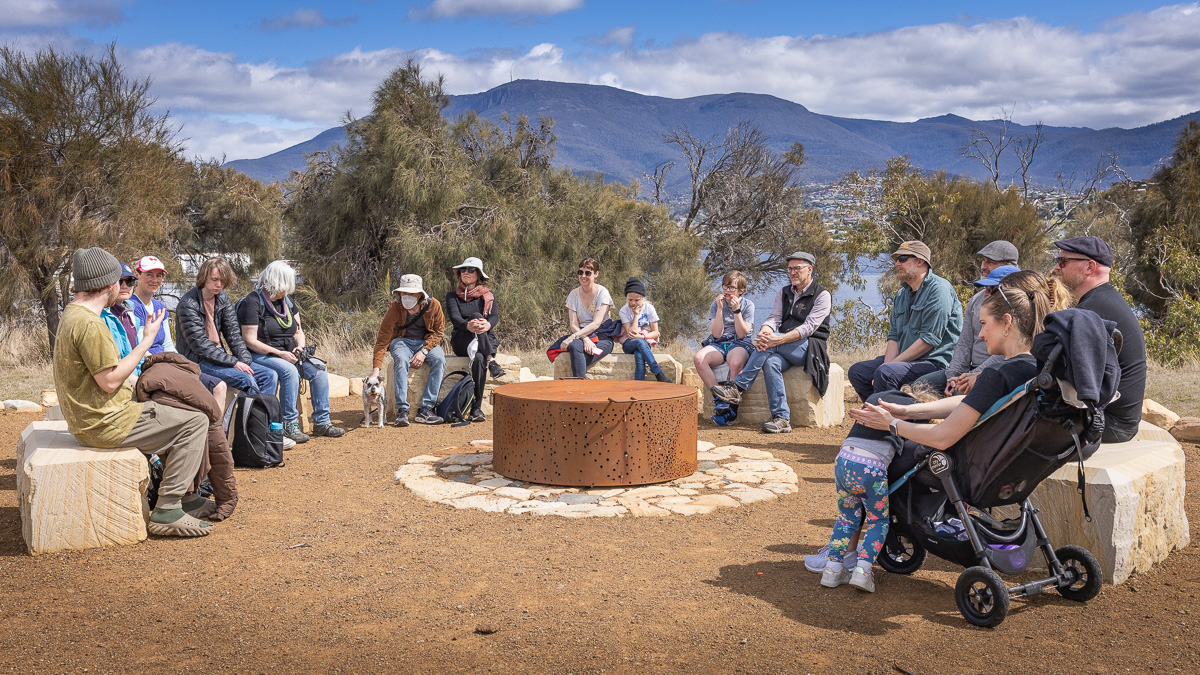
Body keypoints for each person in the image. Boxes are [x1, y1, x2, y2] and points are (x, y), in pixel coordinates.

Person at [828, 270, 1067, 591]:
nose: (981, 335)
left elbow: (943, 437)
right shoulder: (1029, 370)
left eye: (984, 324)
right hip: (1006, 467)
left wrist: (893, 424)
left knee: (869, 455)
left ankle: (844, 552)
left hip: (962, 466)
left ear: (1007, 322)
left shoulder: (997, 375)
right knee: (886, 403)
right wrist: (907, 410)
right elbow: (967, 407)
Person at [52, 247, 213, 537]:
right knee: (195, 421)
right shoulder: (90, 324)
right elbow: (110, 381)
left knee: (176, 413)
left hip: (91, 418)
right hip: (104, 422)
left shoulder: (74, 314)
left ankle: (187, 496)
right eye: (119, 280)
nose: (122, 285)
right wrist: (146, 340)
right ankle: (168, 508)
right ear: (105, 283)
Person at [710, 252, 832, 434]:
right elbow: (774, 318)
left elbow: (809, 328)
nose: (792, 272)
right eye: (790, 269)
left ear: (809, 269)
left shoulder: (822, 295)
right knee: (770, 362)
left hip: (809, 348)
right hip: (783, 348)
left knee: (768, 345)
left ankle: (738, 387)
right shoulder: (784, 292)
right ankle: (782, 418)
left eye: (797, 268)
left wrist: (777, 339)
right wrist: (765, 332)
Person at [1050, 236, 1147, 442]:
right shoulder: (1102, 300)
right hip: (1111, 418)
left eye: (1063, 262)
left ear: (1089, 267)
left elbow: (1054, 366)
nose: (1057, 268)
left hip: (1109, 423)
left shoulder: (1092, 310)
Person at [238, 260, 346, 441]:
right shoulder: (252, 302)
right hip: (261, 355)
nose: (288, 289)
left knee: (319, 368)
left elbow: (298, 331)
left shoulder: (287, 301)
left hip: (289, 354)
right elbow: (249, 340)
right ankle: (290, 424)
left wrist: (299, 347)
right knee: (289, 372)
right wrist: (279, 353)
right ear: (276, 281)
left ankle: (322, 422)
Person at [848, 241, 963, 403]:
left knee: (886, 373)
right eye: (896, 259)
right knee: (858, 371)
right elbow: (894, 336)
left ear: (920, 261)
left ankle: (891, 421)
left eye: (902, 258)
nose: (897, 263)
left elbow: (929, 340)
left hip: (934, 361)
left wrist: (887, 368)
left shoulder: (939, 289)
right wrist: (886, 365)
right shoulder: (902, 295)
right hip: (907, 359)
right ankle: (881, 412)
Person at [912, 241, 1020, 397]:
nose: (983, 266)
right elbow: (964, 342)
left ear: (1009, 266)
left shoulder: (1016, 301)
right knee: (920, 386)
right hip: (970, 369)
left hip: (998, 371)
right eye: (983, 260)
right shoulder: (977, 299)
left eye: (990, 262)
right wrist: (953, 374)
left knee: (959, 394)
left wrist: (969, 377)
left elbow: (1007, 351)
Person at [175, 258, 278, 397]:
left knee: (269, 375)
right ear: (204, 277)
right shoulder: (188, 303)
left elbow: (234, 335)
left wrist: (244, 361)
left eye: (222, 281)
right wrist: (234, 362)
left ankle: (261, 417)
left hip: (220, 356)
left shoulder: (222, 298)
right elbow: (200, 346)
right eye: (215, 279)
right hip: (198, 360)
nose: (219, 284)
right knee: (247, 379)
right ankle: (249, 417)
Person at [371, 274, 447, 427]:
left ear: (420, 294)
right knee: (401, 360)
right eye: (404, 293)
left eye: (411, 293)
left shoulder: (434, 305)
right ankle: (402, 410)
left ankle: (426, 408)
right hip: (401, 342)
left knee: (439, 359)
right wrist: (375, 371)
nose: (407, 297)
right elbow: (383, 338)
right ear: (399, 294)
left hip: (426, 343)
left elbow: (438, 332)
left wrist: (424, 351)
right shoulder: (395, 307)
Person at [444, 257, 505, 423]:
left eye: (471, 270)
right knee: (476, 316)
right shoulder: (452, 296)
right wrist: (468, 325)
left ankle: (476, 409)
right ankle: (491, 360)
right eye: (463, 270)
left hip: (482, 340)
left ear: (478, 275)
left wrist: (487, 325)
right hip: (462, 340)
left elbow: (494, 317)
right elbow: (455, 318)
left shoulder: (487, 296)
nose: (466, 273)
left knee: (479, 359)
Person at [693, 270, 756, 421]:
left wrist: (736, 311)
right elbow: (716, 334)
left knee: (735, 362)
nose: (727, 291)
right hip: (720, 342)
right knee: (699, 358)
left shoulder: (748, 305)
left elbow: (742, 334)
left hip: (740, 342)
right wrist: (720, 309)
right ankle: (720, 400)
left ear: (741, 290)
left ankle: (731, 410)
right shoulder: (716, 305)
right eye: (725, 287)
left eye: (731, 288)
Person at [546, 257, 615, 378]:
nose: (583, 276)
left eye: (588, 273)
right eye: (580, 272)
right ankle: (580, 385)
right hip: (581, 334)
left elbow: (596, 323)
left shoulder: (602, 293)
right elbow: (573, 325)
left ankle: (578, 385)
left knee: (578, 356)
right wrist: (585, 339)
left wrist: (574, 336)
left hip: (602, 336)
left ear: (596, 274)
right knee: (574, 346)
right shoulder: (573, 294)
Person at [616, 277, 669, 382]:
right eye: (630, 300)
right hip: (628, 343)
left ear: (642, 298)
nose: (633, 303)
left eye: (637, 300)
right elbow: (631, 333)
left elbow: (655, 333)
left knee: (639, 355)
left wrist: (643, 336)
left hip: (644, 341)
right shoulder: (624, 311)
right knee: (639, 343)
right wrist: (636, 315)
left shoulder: (649, 309)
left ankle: (638, 384)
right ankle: (658, 372)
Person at [129, 255, 176, 355]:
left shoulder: (160, 307)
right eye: (149, 275)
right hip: (145, 363)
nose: (154, 280)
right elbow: (141, 348)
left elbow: (168, 345)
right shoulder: (131, 306)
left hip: (163, 360)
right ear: (137, 275)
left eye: (158, 276)